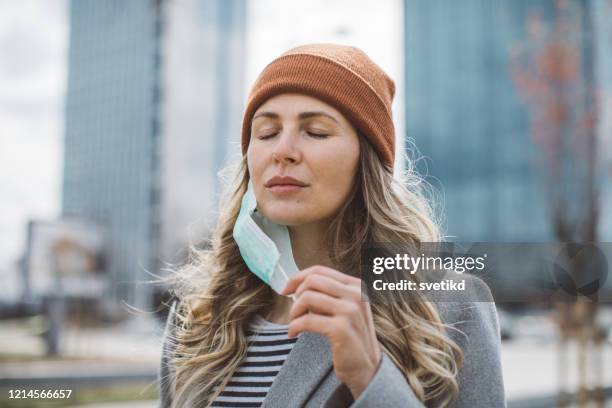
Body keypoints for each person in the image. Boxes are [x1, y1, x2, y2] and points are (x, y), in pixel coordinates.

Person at [157, 43, 506, 408]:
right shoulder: (197, 316)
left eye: (317, 132)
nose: (283, 150)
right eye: (266, 133)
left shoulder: (450, 305)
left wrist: (370, 377)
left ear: (366, 162)